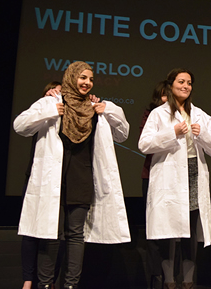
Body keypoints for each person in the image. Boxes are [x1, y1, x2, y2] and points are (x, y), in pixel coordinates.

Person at [14, 61, 131, 289]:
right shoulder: (51, 102)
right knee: (51, 233)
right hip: (53, 179)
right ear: (71, 77)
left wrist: (109, 109)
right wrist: (49, 111)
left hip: (81, 179)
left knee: (76, 235)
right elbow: (19, 125)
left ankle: (70, 285)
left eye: (90, 79)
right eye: (82, 77)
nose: (87, 83)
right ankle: (46, 284)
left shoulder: (96, 108)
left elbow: (123, 133)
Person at [139, 68, 211, 289]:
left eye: (189, 83)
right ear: (171, 84)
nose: (185, 86)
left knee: (191, 230)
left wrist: (202, 134)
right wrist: (171, 133)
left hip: (194, 172)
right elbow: (144, 144)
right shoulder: (159, 114)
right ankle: (168, 280)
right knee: (170, 230)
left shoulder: (199, 114)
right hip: (169, 176)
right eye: (181, 82)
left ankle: (187, 281)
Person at [21, 81, 62, 289]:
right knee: (31, 231)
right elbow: (21, 126)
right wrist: (49, 108)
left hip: (61, 181)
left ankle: (50, 280)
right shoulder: (45, 107)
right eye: (56, 91)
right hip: (37, 179)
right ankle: (28, 279)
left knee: (56, 235)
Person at [140, 81, 168, 288]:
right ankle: (155, 276)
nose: (168, 100)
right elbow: (145, 144)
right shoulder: (151, 115)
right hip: (152, 177)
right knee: (154, 230)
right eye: (164, 96)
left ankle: (172, 276)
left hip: (178, 179)